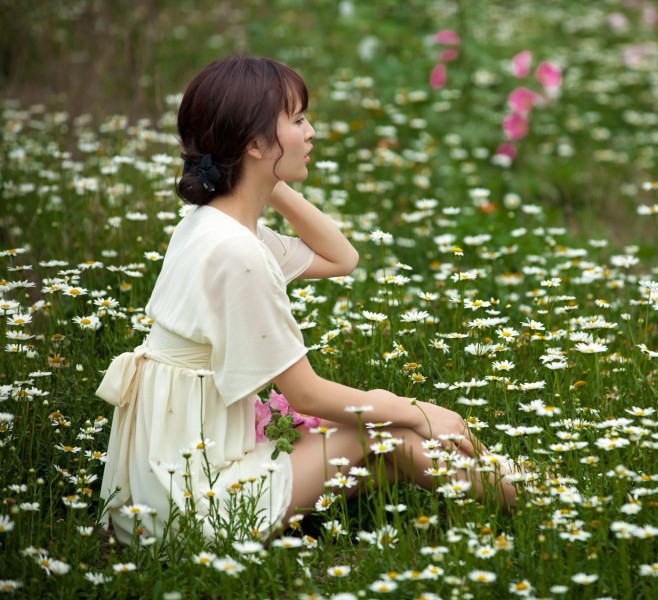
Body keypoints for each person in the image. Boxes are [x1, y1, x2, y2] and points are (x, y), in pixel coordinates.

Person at [97, 55, 516, 544]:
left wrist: (265, 182)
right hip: (197, 498)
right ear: (254, 143)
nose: (311, 132)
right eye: (297, 121)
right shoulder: (239, 254)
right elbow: (307, 395)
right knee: (389, 430)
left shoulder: (209, 224)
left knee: (390, 444)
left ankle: (521, 489)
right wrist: (416, 408)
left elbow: (341, 258)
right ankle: (534, 500)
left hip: (164, 477)